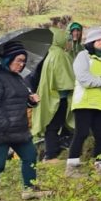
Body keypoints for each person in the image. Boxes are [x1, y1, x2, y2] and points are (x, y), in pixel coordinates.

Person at [0, 41, 52, 201]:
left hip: (19, 130)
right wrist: (5, 125)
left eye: (24, 61)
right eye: (19, 60)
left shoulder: (17, 78)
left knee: (30, 157)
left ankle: (29, 189)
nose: (22, 65)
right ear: (8, 59)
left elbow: (18, 100)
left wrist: (30, 101)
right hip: (2, 131)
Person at [67, 28, 101, 173]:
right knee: (82, 132)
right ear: (91, 42)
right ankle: (72, 166)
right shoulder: (83, 56)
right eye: (98, 40)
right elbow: (84, 78)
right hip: (84, 102)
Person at [31, 28, 76, 161]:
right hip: (59, 98)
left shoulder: (51, 53)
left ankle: (53, 151)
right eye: (68, 40)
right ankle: (51, 155)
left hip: (49, 96)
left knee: (52, 125)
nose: (69, 43)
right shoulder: (60, 55)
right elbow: (65, 81)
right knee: (54, 126)